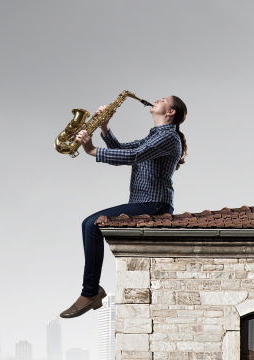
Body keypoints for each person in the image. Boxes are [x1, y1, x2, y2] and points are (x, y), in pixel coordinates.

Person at [59, 95, 188, 318]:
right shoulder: (154, 136)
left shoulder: (169, 138)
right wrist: (105, 128)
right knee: (91, 225)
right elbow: (122, 149)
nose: (156, 99)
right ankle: (91, 291)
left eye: (163, 99)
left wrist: (92, 150)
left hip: (154, 204)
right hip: (142, 202)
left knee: (90, 224)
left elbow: (133, 155)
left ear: (171, 112)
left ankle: (90, 292)